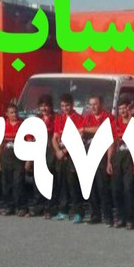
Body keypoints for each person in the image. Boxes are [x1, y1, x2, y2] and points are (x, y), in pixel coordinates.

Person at [80, 95, 114, 226]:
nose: (92, 107)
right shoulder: (87, 118)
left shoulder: (108, 117)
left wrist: (86, 130)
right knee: (91, 187)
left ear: (101, 104)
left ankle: (108, 216)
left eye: (95, 104)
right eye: (90, 104)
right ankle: (95, 215)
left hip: (101, 157)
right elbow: (80, 133)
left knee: (102, 187)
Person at [52, 93, 85, 223]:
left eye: (67, 105)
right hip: (61, 155)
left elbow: (78, 138)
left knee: (73, 185)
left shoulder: (79, 118)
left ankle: (78, 213)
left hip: (73, 155)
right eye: (62, 106)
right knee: (62, 184)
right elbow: (54, 137)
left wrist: (64, 151)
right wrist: (57, 151)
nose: (65, 108)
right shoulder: (59, 118)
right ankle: (63, 211)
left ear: (72, 105)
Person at [28, 94, 57, 219]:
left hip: (50, 150)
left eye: (46, 106)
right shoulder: (37, 119)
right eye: (42, 106)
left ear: (50, 106)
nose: (44, 108)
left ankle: (49, 208)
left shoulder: (55, 118)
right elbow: (30, 136)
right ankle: (38, 207)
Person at [0, 103, 27, 217]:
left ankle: (21, 207)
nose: (14, 114)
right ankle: (9, 206)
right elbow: (0, 144)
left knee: (18, 183)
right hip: (6, 157)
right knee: (6, 184)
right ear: (7, 114)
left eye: (15, 112)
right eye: (11, 113)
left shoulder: (22, 125)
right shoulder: (3, 125)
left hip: (19, 158)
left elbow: (29, 142)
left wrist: (28, 161)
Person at [111, 98, 134, 229]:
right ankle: (120, 217)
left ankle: (131, 219)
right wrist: (109, 161)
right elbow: (112, 143)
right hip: (118, 159)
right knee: (117, 189)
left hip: (130, 159)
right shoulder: (115, 124)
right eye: (120, 109)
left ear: (129, 109)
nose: (122, 111)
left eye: (124, 108)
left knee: (128, 189)